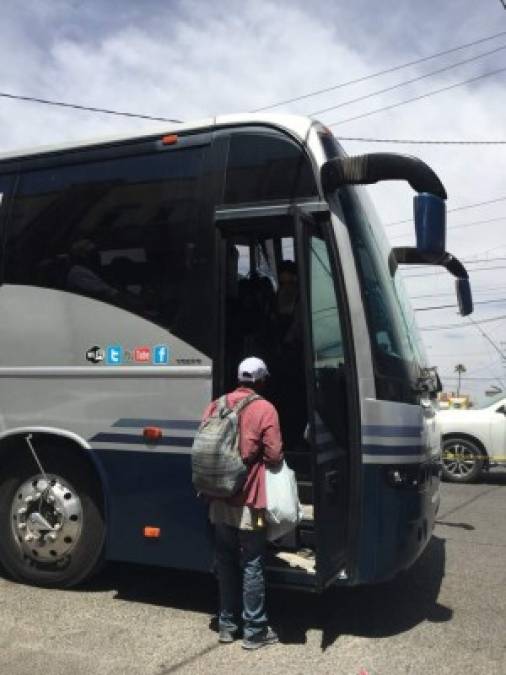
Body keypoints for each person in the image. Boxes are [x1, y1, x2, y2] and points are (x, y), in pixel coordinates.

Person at [202, 356, 284, 650]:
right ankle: (254, 631)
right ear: (261, 380)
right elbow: (274, 456)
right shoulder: (265, 408)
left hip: (218, 499)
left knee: (224, 559)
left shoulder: (217, 404)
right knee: (252, 562)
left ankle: (226, 625)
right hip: (251, 503)